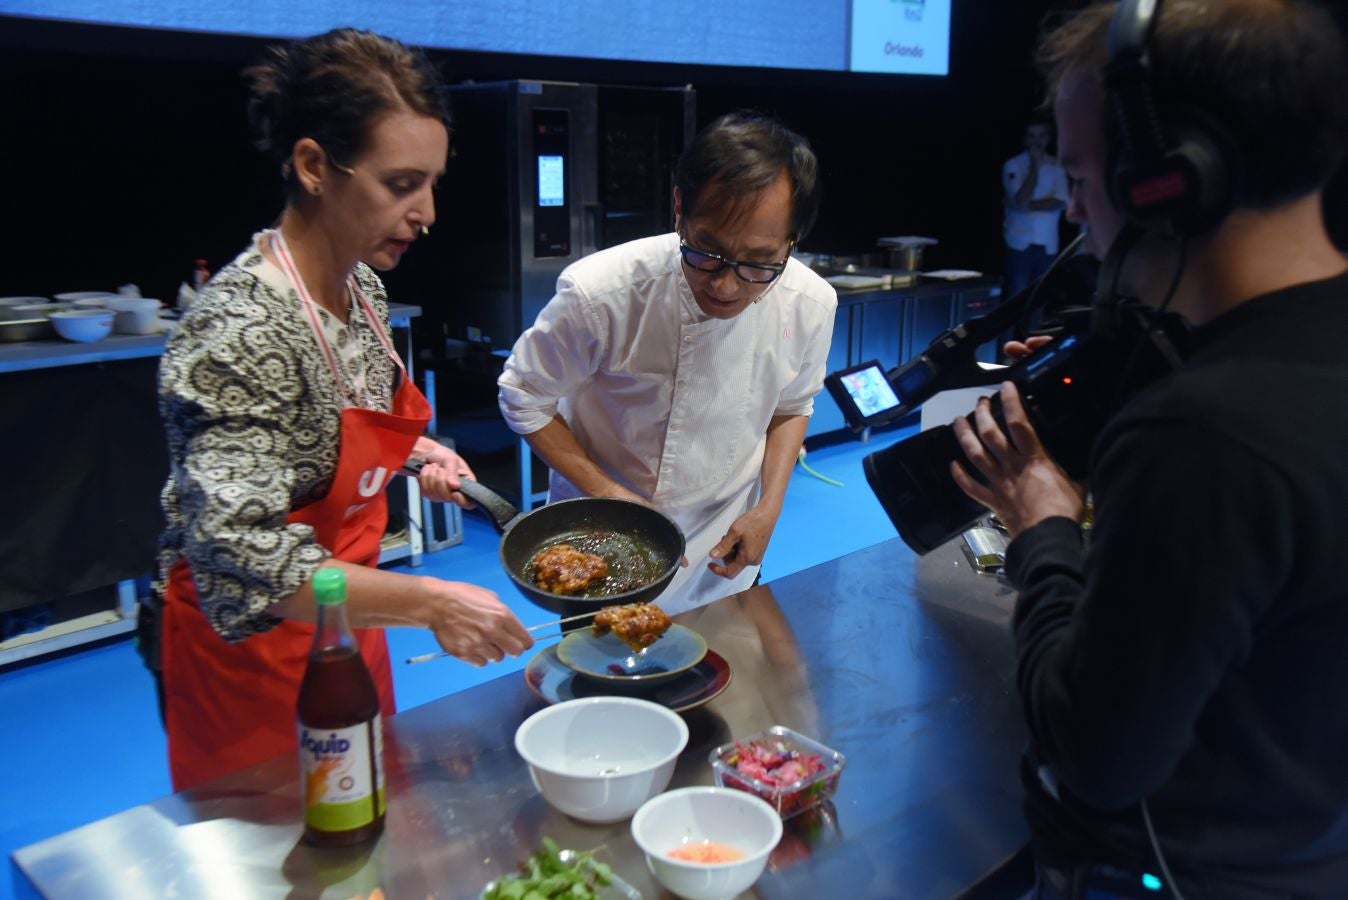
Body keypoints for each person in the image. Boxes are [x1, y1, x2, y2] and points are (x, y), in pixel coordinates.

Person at [951, 1, 1348, 896]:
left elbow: (1096, 754)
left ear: (1170, 181)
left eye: (1084, 181)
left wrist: (1043, 528)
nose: (1075, 218)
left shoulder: (1203, 434)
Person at [147, 29, 533, 791]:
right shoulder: (239, 332)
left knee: (367, 815)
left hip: (352, 619)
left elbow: (342, 427)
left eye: (432, 183)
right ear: (313, 166)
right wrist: (428, 599)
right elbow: (244, 559)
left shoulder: (363, 288)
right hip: (254, 655)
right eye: (400, 184)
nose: (425, 212)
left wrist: (421, 453)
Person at [497, 111, 837, 614]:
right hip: (607, 540)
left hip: (725, 546)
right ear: (679, 208)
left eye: (758, 263)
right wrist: (611, 496)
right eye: (707, 251)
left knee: (732, 682)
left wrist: (768, 508)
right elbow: (524, 396)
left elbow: (792, 404)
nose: (725, 286)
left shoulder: (811, 303)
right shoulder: (602, 294)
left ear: (793, 240)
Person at [1002, 119, 1071, 302]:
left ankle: (1033, 332)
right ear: (1025, 139)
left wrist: (1023, 206)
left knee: (1038, 299)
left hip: (1048, 243)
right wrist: (1034, 166)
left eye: (1041, 135)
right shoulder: (1013, 165)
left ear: (1048, 138)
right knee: (1014, 298)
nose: (1036, 141)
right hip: (1019, 242)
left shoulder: (1057, 166)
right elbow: (1022, 198)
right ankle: (1009, 332)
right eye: (1032, 136)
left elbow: (1062, 201)